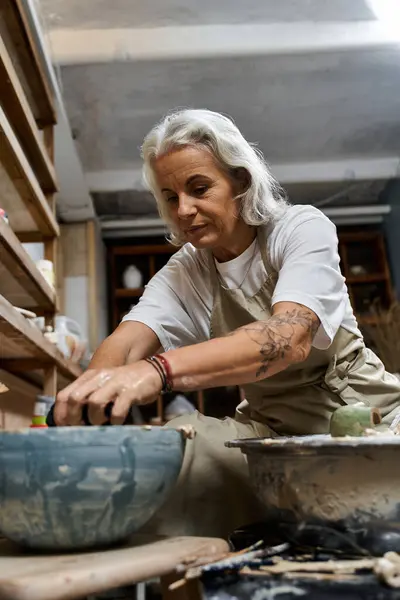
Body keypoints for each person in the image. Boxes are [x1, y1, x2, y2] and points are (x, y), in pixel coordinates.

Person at [54, 109, 400, 538]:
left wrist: (158, 371)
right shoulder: (190, 269)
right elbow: (126, 342)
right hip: (271, 433)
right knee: (174, 454)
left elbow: (286, 338)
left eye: (199, 188)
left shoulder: (300, 230)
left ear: (241, 181)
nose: (183, 209)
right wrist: (93, 392)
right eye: (169, 196)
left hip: (366, 420)